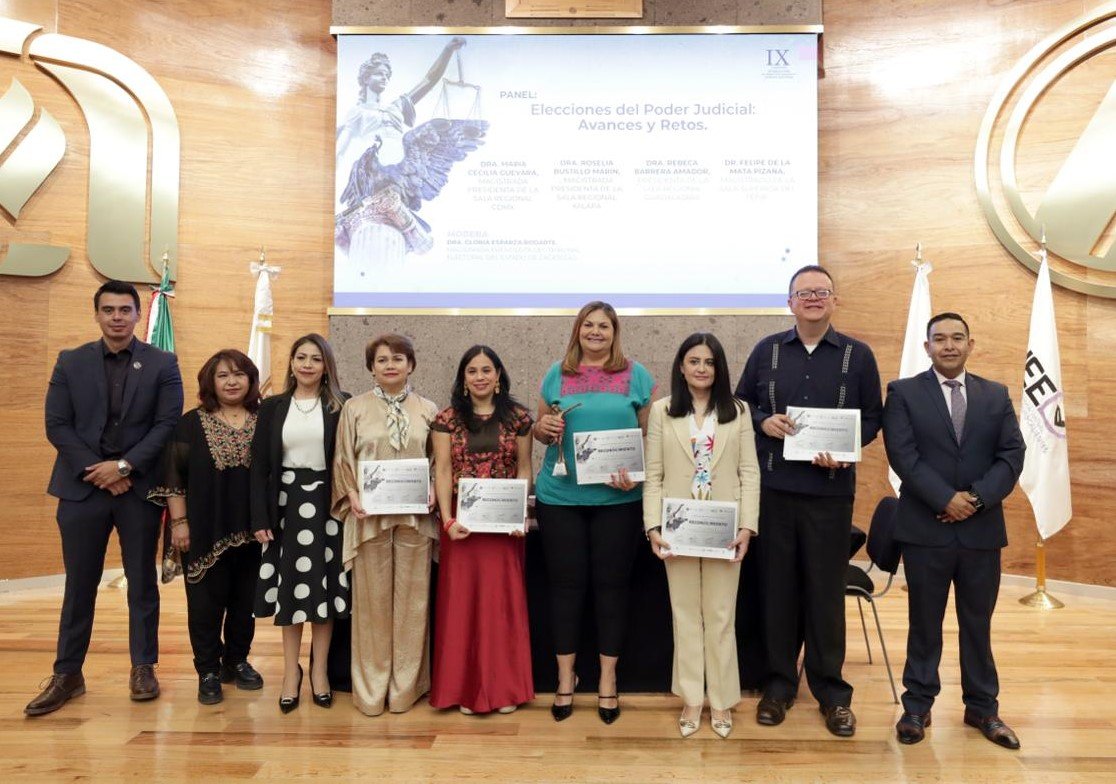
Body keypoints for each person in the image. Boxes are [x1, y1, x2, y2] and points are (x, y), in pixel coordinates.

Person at [735, 265, 882, 737]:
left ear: (834, 300)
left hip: (830, 494)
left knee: (825, 595)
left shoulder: (858, 355)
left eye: (822, 291)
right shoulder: (766, 350)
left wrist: (846, 449)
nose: (813, 298)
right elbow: (740, 404)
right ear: (790, 302)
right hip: (774, 492)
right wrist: (763, 421)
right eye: (804, 292)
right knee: (777, 592)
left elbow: (873, 418)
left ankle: (832, 694)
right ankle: (779, 686)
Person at [26, 280, 183, 716]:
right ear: (96, 314)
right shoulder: (70, 361)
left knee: (142, 582)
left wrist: (124, 467)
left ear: (137, 315)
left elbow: (167, 424)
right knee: (79, 585)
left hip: (138, 489)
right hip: (83, 488)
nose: (117, 317)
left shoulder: (163, 363)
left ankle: (143, 667)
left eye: (125, 310)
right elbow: (57, 425)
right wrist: (99, 470)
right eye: (108, 309)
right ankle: (67, 673)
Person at [883, 313, 1025, 749]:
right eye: (940, 338)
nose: (949, 345)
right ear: (927, 347)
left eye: (957, 338)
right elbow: (902, 455)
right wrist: (945, 498)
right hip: (925, 530)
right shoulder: (903, 393)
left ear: (970, 344)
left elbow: (1012, 455)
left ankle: (982, 707)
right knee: (924, 622)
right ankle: (917, 706)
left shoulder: (995, 394)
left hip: (981, 531)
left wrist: (976, 500)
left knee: (977, 623)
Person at [533, 301, 655, 724]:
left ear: (615, 331)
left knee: (612, 588)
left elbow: (649, 437)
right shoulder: (557, 373)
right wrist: (543, 428)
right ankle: (565, 677)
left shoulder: (637, 375)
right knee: (565, 589)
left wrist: (635, 475)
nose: (596, 331)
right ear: (578, 330)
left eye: (604, 325)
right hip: (560, 498)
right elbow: (540, 429)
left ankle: (607, 678)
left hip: (618, 501)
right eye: (589, 325)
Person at [643, 333, 760, 738]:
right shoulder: (662, 411)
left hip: (724, 529)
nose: (701, 368)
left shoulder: (738, 411)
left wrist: (747, 527)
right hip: (678, 528)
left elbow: (749, 472)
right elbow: (654, 474)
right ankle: (693, 697)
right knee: (685, 614)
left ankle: (722, 700)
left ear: (719, 368)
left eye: (709, 362)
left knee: (721, 615)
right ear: (681, 366)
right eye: (694, 361)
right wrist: (652, 526)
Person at [332, 333, 439, 716]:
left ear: (411, 365)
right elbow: (343, 458)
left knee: (413, 605)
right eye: (382, 360)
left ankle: (405, 689)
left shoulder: (428, 409)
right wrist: (352, 495)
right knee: (371, 607)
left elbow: (438, 460)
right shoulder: (354, 408)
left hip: (415, 519)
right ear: (371, 368)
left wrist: (435, 489)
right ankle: (371, 690)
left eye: (397, 358)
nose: (390, 365)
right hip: (369, 520)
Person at [150, 349, 263, 705]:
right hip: (203, 527)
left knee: (245, 602)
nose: (232, 382)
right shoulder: (190, 423)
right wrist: (179, 523)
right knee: (205, 605)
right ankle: (208, 671)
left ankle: (237, 660)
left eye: (239, 374)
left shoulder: (265, 419)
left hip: (254, 530)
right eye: (223, 375)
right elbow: (174, 479)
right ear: (210, 382)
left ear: (250, 380)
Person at [429, 346, 535, 715]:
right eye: (472, 371)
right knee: (463, 605)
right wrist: (447, 520)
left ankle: (505, 690)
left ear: (498, 375)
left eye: (486, 370)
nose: (479, 377)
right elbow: (443, 471)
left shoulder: (519, 419)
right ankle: (464, 690)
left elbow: (525, 468)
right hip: (462, 525)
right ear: (463, 378)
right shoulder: (446, 420)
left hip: (504, 526)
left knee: (500, 605)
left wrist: (520, 515)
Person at [251, 334, 351, 713]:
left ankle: (319, 671)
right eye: (301, 357)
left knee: (324, 590)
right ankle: (289, 673)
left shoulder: (341, 404)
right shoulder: (272, 406)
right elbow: (259, 467)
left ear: (326, 366)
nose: (308, 364)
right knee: (291, 591)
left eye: (315, 359)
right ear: (292, 363)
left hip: (329, 507)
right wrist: (260, 516)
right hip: (285, 507)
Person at [335, 38, 466, 277]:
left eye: (387, 75)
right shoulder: (357, 112)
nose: (385, 78)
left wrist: (447, 50)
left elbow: (429, 80)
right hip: (370, 170)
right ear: (366, 78)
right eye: (379, 73)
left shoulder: (396, 107)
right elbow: (341, 147)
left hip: (399, 169)